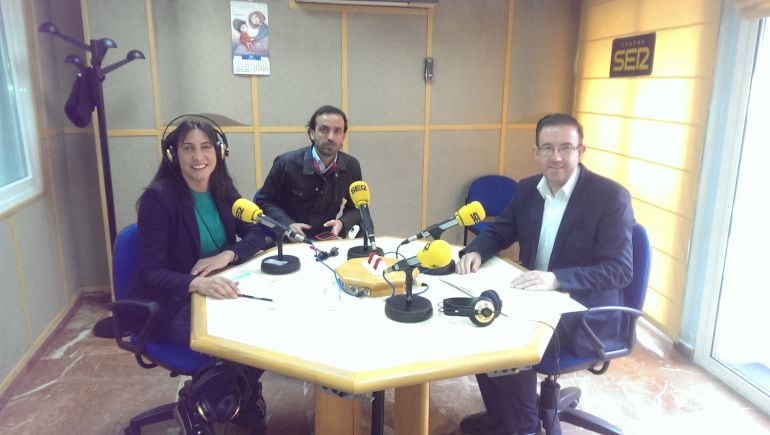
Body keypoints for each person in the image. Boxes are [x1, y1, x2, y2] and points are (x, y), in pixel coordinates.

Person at [456, 113, 634, 435]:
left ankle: (524, 427)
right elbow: (500, 232)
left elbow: (619, 270)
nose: (556, 157)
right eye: (548, 147)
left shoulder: (609, 197)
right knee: (479, 314)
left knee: (509, 333)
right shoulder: (527, 190)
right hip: (533, 299)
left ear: (581, 152)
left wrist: (556, 279)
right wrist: (475, 251)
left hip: (583, 311)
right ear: (536, 152)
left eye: (566, 147)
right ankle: (502, 416)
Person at [130, 116, 271, 434]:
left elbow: (258, 232)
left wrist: (229, 253)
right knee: (238, 337)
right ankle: (205, 404)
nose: (198, 157)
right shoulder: (159, 199)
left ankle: (234, 395)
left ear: (219, 151)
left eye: (206, 147)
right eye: (188, 148)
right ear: (173, 154)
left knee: (271, 324)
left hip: (218, 291)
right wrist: (196, 282)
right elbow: (151, 272)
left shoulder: (223, 189)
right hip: (171, 301)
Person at [255, 105, 363, 240]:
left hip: (325, 239)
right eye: (324, 130)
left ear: (343, 136)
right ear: (312, 133)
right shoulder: (286, 163)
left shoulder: (351, 166)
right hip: (288, 238)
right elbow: (263, 200)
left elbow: (358, 206)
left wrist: (342, 222)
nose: (331, 137)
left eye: (337, 131)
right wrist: (288, 224)